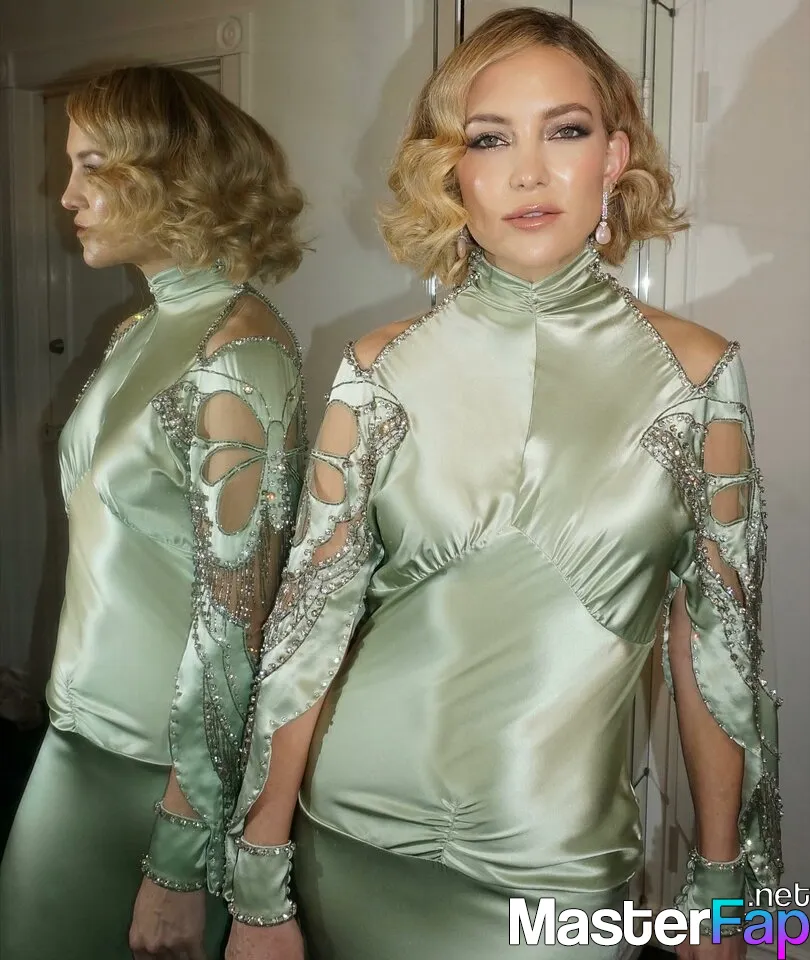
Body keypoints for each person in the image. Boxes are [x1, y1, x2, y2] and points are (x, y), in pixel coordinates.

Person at [223, 9, 781, 960]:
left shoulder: (699, 379)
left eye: (565, 131)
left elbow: (719, 653)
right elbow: (307, 633)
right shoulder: (376, 370)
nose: (529, 172)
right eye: (490, 139)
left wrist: (727, 887)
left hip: (560, 869)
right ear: (453, 171)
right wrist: (258, 881)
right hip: (352, 837)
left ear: (614, 157)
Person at [0, 65, 307, 960]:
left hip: (157, 770)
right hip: (79, 736)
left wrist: (178, 859)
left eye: (92, 167)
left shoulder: (237, 352)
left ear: (173, 175)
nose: (66, 196)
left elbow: (239, 626)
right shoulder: (137, 332)